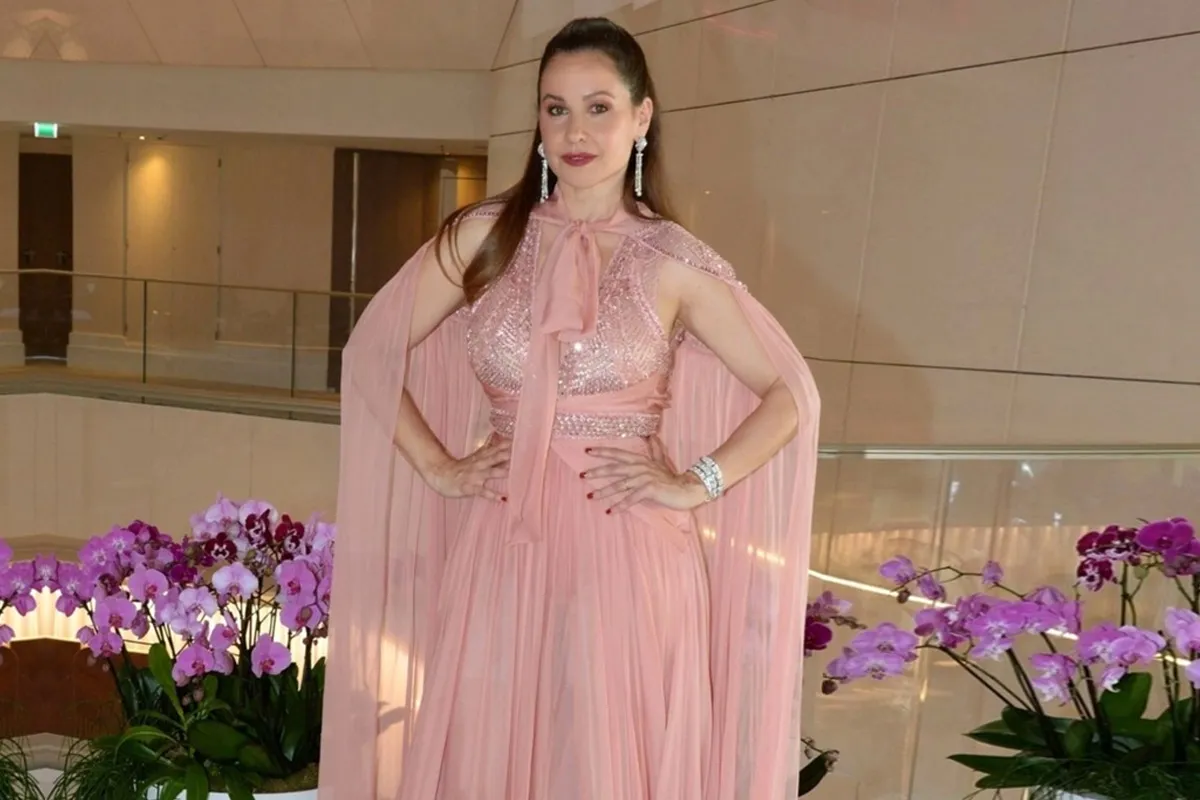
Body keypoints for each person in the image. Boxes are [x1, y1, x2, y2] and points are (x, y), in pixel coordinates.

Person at [319, 16, 820, 800]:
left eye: (599, 107)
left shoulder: (673, 261)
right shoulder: (482, 238)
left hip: (629, 549)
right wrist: (440, 469)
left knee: (604, 761)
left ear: (642, 117)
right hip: (502, 539)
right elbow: (368, 355)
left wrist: (696, 483)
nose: (575, 131)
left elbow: (791, 395)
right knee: (490, 749)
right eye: (556, 109)